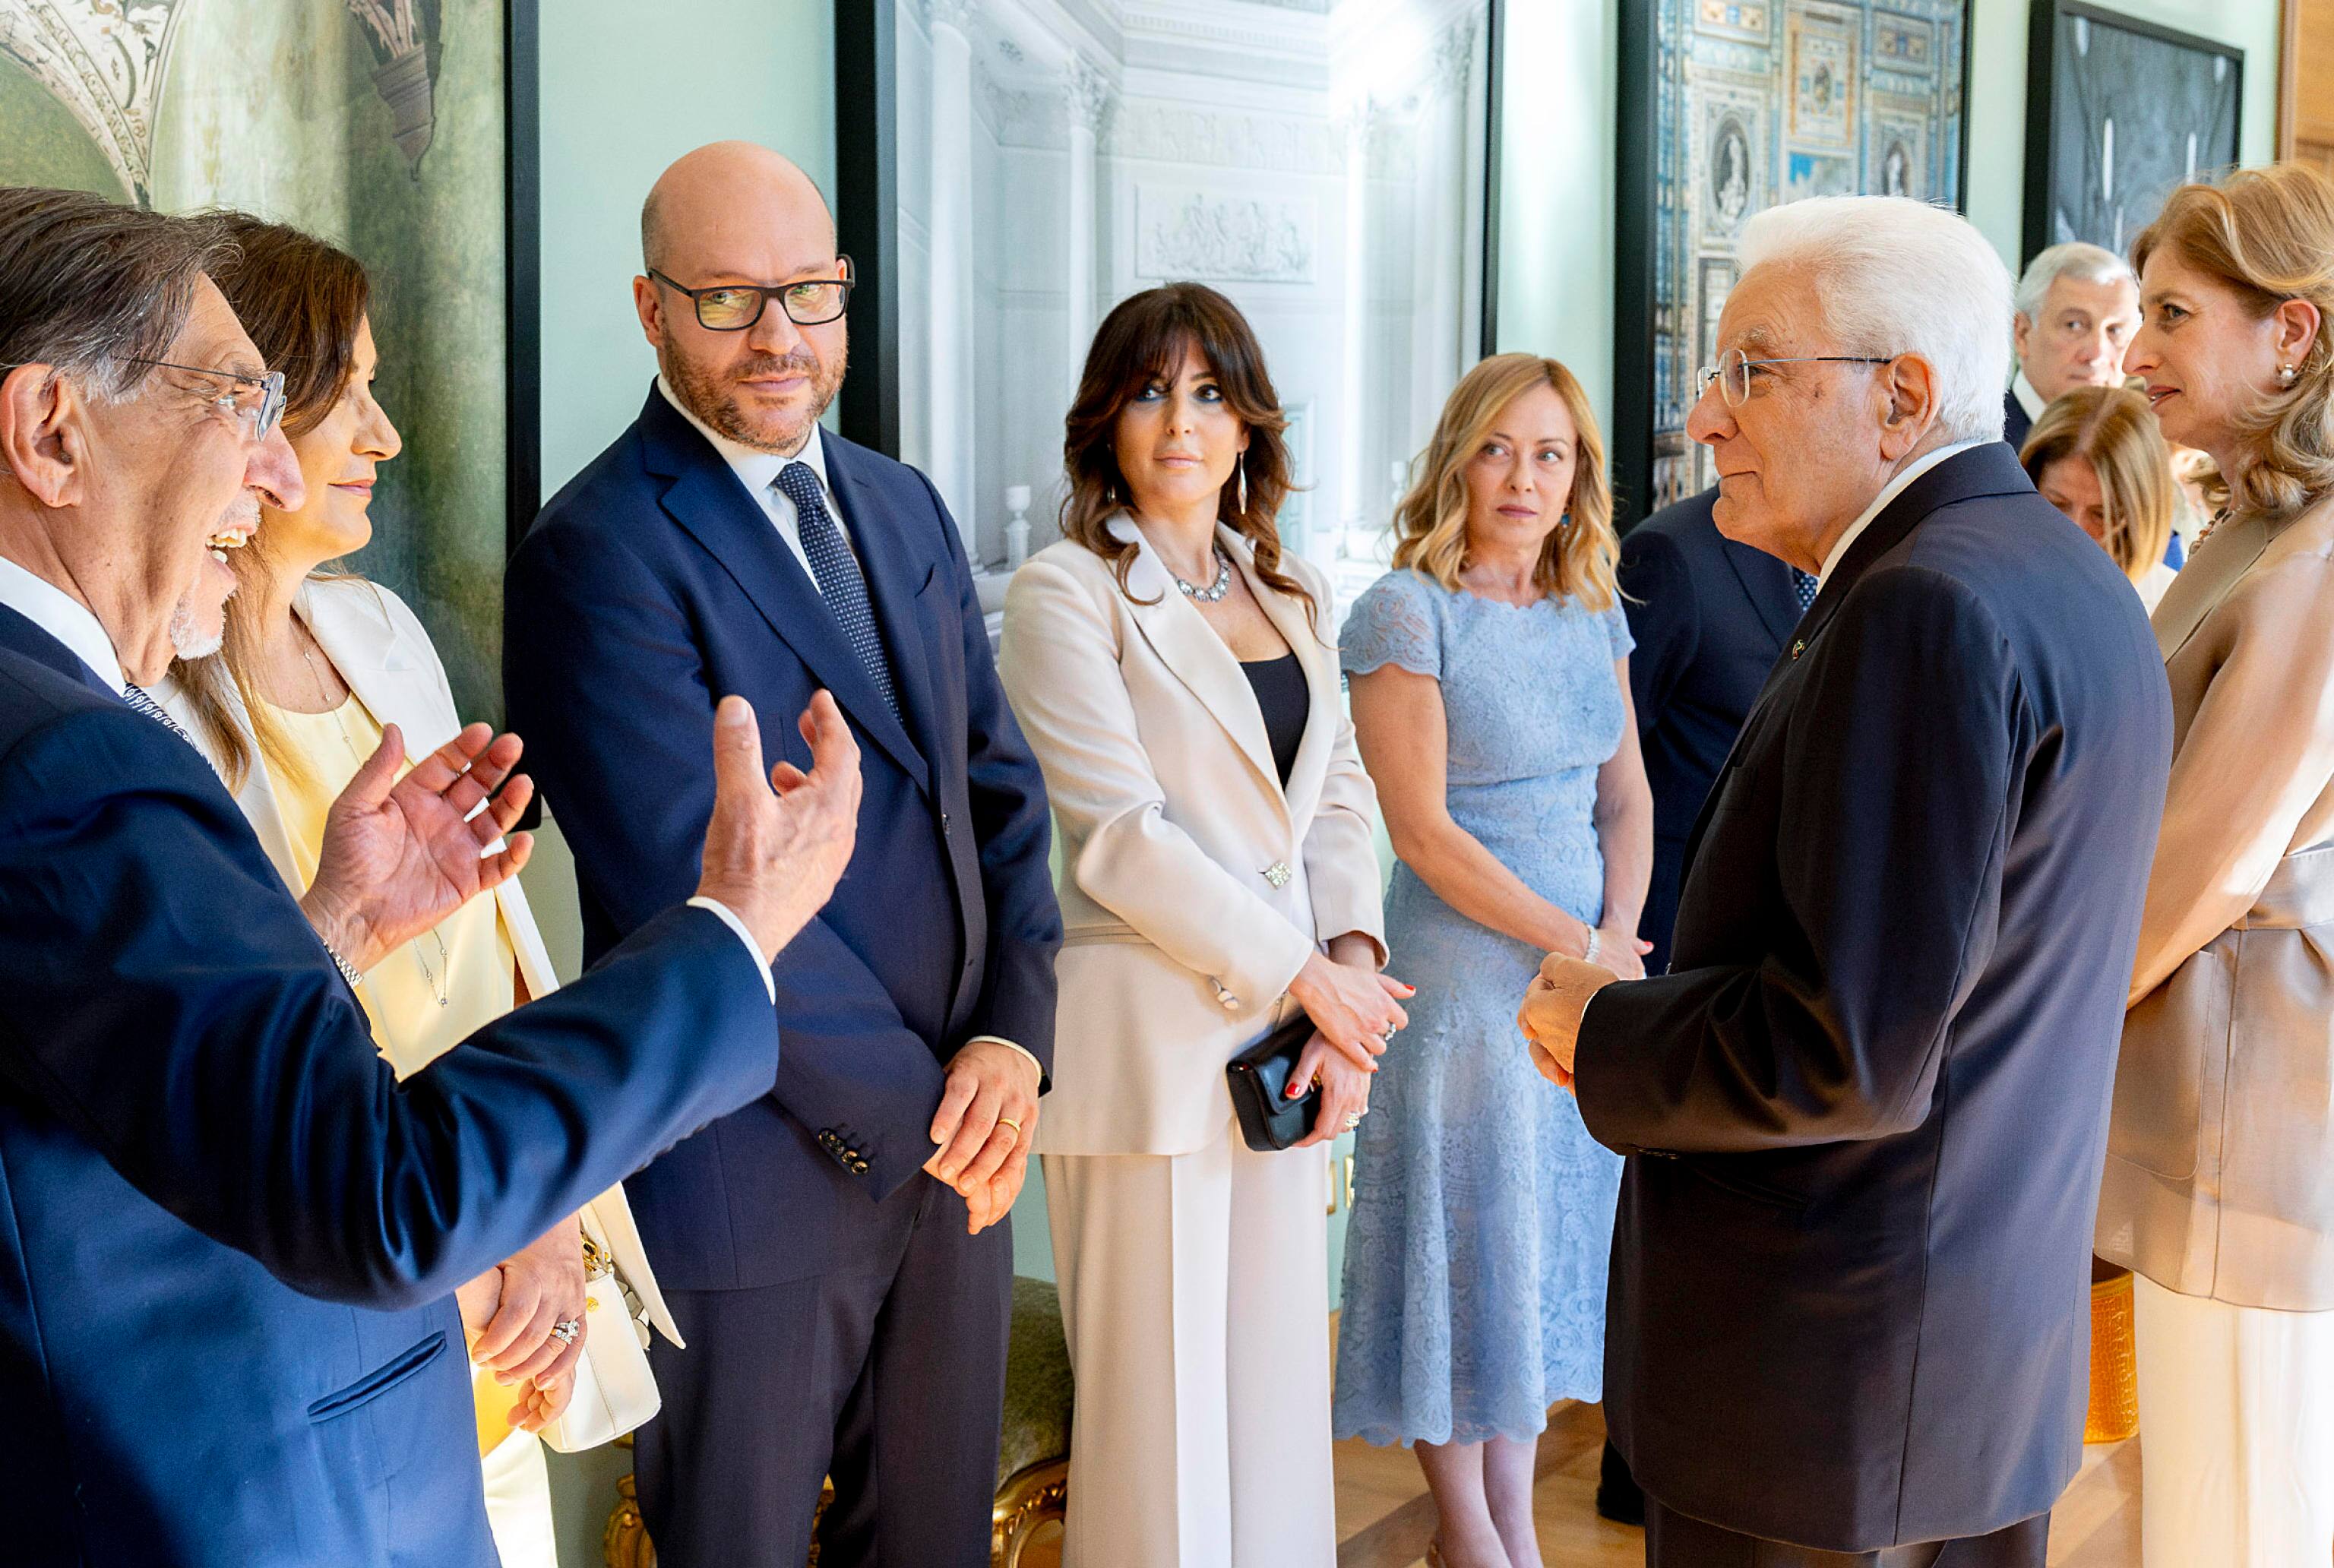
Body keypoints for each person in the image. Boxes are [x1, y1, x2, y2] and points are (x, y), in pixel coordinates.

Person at [0, 188, 862, 1566]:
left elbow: (115, 1084)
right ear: (51, 433)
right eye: (240, 401)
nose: (277, 471)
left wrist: (329, 927)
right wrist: (730, 931)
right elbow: (373, 1193)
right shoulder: (71, 762)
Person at [1517, 194, 2171, 1566]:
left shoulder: (1918, 603)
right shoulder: (2065, 572)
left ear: (1902, 399)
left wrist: (1602, 1030)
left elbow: (1848, 1048)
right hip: (1963, 1365)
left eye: (1750, 372)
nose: (1705, 419)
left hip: (1828, 1393)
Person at [502, 142, 1062, 1568]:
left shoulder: (903, 505)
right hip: (749, 1171)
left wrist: (1012, 1041)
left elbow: (994, 791)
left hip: (957, 1149)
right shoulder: (597, 551)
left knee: (928, 1539)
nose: (780, 338)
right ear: (648, 308)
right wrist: (930, 1113)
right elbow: (681, 894)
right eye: (731, 297)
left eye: (810, 294)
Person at [157, 217, 666, 1568]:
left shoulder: (379, 631)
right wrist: (458, 1238)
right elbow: (228, 1055)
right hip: (332, 1264)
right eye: (352, 396)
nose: (383, 435)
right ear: (250, 413)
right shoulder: (142, 706)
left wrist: (540, 1217)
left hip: (499, 1245)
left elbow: (500, 947)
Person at [996, 283, 1399, 1568]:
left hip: (1286, 1054)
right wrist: (1303, 976)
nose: (1182, 420)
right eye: (1153, 390)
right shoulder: (1066, 591)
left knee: (1277, 1407)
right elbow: (1117, 836)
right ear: (1107, 419)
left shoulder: (1294, 591)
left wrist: (1345, 971)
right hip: (1152, 1061)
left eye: (1211, 392)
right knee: (1159, 1432)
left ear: (1248, 424)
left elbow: (1336, 796)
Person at [1330, 353, 1650, 1568]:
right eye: (1501, 448)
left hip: (1581, 975)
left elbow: (1626, 796)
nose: (1526, 477)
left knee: (1532, 1248)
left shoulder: (1592, 608)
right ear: (1458, 456)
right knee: (1460, 1246)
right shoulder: (1406, 614)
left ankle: (1508, 1518)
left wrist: (1618, 932)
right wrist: (1580, 942)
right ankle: (1467, 1532)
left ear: (1580, 478)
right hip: (1464, 975)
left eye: (1553, 453)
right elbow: (1421, 831)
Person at [2097, 161, 2334, 1568]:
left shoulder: (2310, 558)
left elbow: (2209, 858)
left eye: (2173, 314)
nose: (2135, 353)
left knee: (2239, 1516)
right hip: (2203, 1098)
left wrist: (2015, 1028)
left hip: (2252, 1118)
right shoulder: (2254, 529)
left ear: (2289, 333)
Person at [1617, 485, 1811, 978]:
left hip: (1792, 932)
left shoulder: (1862, 542)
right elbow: (1610, 765)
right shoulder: (1667, 552)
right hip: (1676, 925)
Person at [2018, 386, 2180, 611]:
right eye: (2056, 505)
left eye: (2101, 515)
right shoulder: (1986, 589)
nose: (2074, 530)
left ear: (2142, 515)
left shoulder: (2173, 609)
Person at [2004, 240, 2141, 450]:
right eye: (2074, 325)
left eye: (2115, 331)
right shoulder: (1982, 448)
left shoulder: (2139, 448)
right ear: (2022, 334)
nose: (2097, 354)